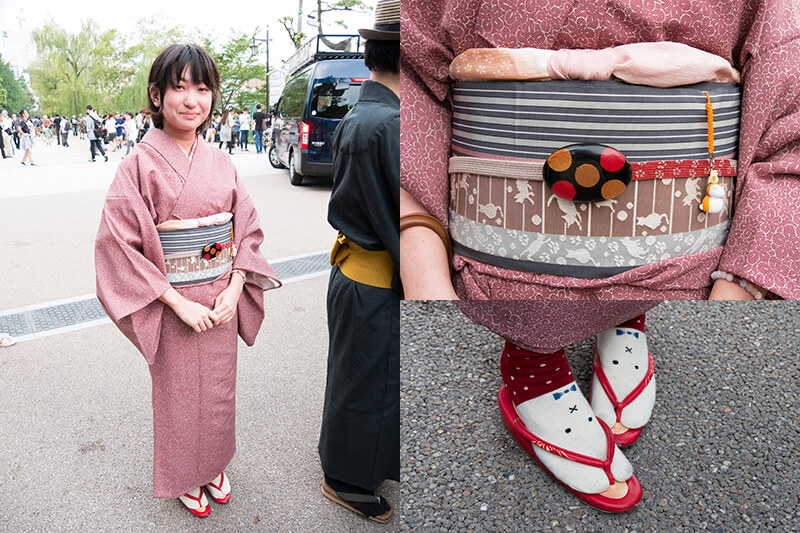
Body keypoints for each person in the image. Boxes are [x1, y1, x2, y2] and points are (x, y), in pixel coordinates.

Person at [399, 0, 800, 513]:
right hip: (503, 234)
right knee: (523, 308)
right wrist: (422, 255)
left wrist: (740, 280)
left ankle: (628, 317)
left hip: (678, 229)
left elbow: (784, 90)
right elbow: (417, 80)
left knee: (647, 274)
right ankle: (532, 366)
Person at [94, 43, 280, 518]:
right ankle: (183, 475)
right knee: (179, 395)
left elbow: (247, 228)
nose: (192, 99)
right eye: (179, 87)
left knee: (218, 390)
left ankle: (214, 464)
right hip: (174, 303)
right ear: (156, 96)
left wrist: (238, 285)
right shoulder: (138, 164)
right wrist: (176, 302)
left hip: (221, 298)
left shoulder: (221, 162)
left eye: (202, 87)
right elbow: (118, 245)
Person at [318, 0, 400, 523]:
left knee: (357, 375)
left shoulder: (366, 113)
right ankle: (346, 479)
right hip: (375, 276)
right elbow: (403, 225)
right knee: (371, 380)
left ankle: (343, 459)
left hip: (355, 271)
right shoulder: (386, 122)